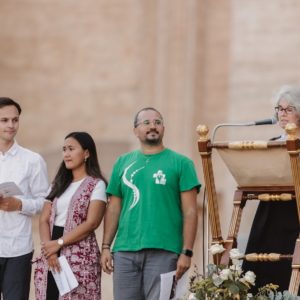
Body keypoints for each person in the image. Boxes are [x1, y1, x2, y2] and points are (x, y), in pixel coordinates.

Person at [101, 107, 201, 300]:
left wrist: (187, 252)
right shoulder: (123, 162)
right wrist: (106, 246)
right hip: (124, 251)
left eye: (158, 122)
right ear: (135, 130)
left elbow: (190, 211)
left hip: (165, 251)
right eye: (146, 123)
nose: (152, 126)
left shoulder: (182, 163)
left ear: (163, 128)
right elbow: (113, 208)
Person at [34, 132, 107, 300]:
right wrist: (49, 251)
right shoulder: (57, 184)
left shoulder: (96, 185)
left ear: (87, 153)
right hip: (51, 249)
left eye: (71, 149)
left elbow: (92, 223)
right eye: (64, 149)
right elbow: (44, 219)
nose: (66, 154)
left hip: (79, 252)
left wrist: (59, 243)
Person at [243, 85, 300, 292]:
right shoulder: (273, 143)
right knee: (264, 272)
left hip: (295, 213)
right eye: (279, 109)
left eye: (289, 109)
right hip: (270, 213)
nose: (282, 114)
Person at [0, 97, 49, 300]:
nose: (11, 125)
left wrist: (20, 204)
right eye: (4, 120)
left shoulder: (32, 160)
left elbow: (45, 202)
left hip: (17, 249)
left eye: (15, 120)